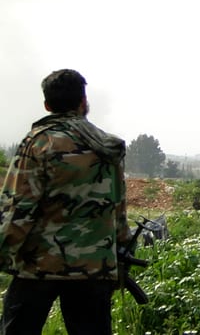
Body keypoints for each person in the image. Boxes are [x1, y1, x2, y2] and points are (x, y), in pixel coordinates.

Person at [0, 69, 131, 335]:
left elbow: (18, 209)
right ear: (83, 102)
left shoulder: (39, 143)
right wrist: (119, 255)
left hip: (38, 268)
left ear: (47, 105)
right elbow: (118, 209)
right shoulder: (106, 146)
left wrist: (3, 253)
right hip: (94, 268)